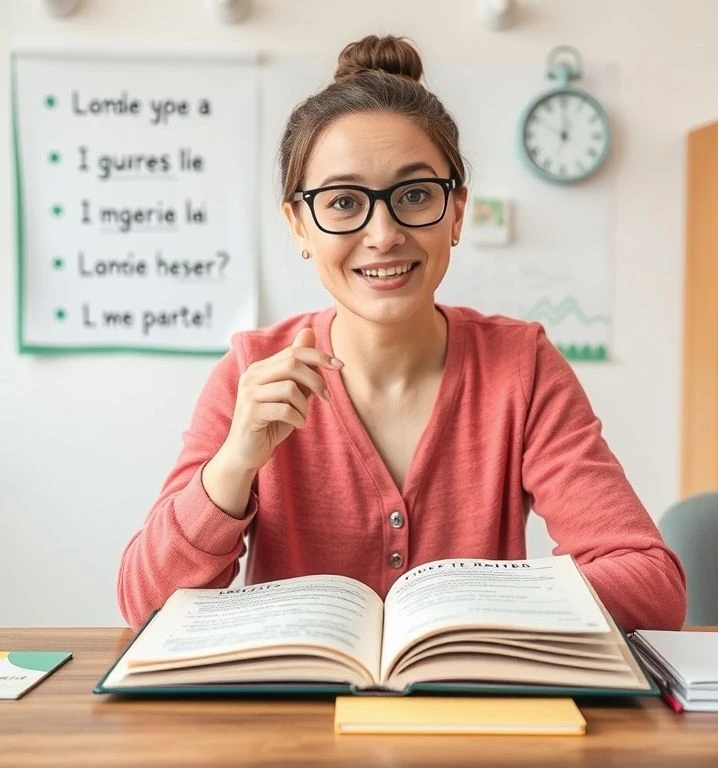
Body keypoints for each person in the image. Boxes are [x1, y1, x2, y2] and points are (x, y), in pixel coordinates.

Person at [117, 35, 686, 633]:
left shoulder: (522, 366)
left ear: (457, 213)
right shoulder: (251, 371)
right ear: (299, 225)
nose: (383, 234)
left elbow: (651, 585)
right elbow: (144, 604)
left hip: (468, 712)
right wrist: (234, 464)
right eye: (342, 202)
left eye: (415, 195)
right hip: (289, 720)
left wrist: (466, 606)